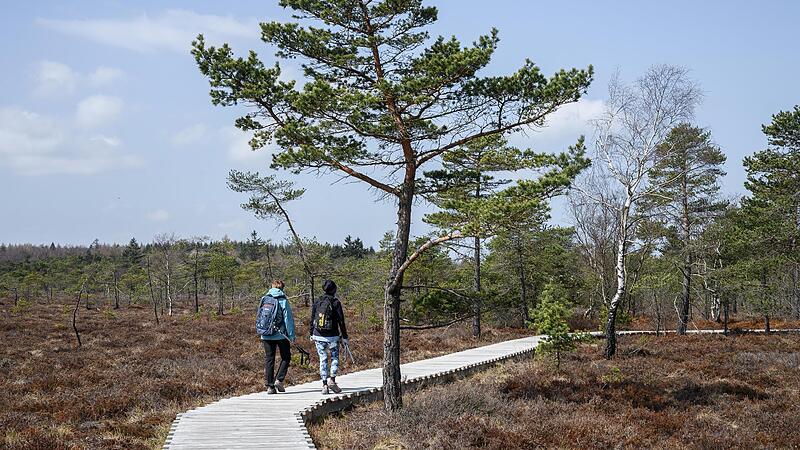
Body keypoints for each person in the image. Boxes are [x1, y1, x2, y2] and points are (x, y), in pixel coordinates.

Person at [310, 279, 349, 394]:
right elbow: (341, 321)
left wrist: (311, 333)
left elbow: (312, 318)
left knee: (322, 359)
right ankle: (332, 380)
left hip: (318, 335)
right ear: (334, 290)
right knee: (334, 358)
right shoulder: (336, 302)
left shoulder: (318, 301)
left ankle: (324, 385)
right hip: (333, 336)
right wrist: (345, 336)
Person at [261, 280, 296, 395]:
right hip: (280, 335)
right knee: (286, 357)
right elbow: (288, 319)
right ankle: (279, 380)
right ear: (282, 288)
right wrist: (291, 336)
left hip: (266, 334)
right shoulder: (283, 300)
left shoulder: (264, 299)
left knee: (269, 359)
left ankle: (270, 387)